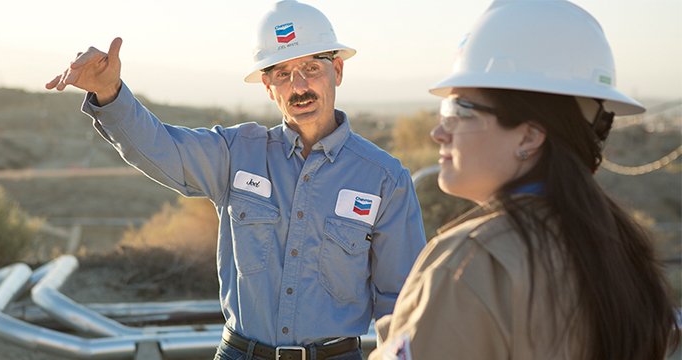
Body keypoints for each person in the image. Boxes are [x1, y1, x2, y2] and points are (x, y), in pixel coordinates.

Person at [45, 1, 427, 359]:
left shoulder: (384, 179)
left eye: (312, 68)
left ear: (337, 71)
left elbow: (402, 300)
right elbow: (161, 150)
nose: (299, 87)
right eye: (282, 73)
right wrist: (109, 92)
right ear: (267, 85)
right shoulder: (234, 154)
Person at [369, 1, 680, 359]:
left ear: (529, 136)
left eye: (458, 111)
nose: (439, 132)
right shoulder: (617, 248)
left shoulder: (468, 264)